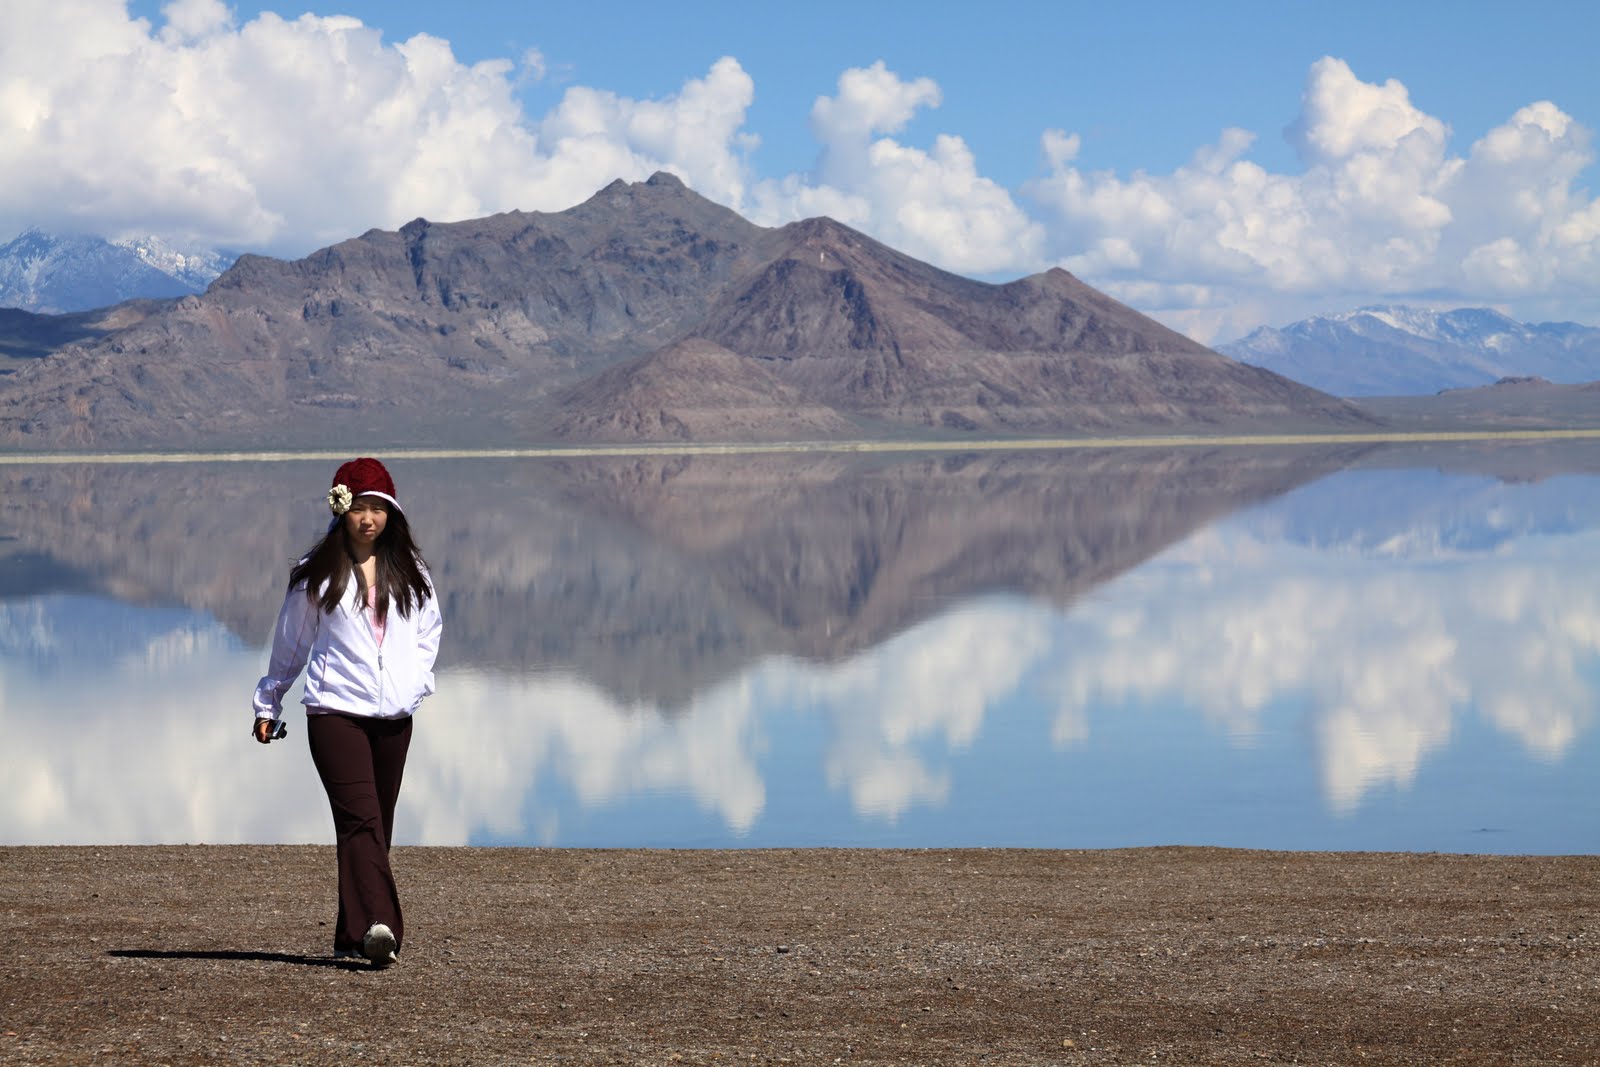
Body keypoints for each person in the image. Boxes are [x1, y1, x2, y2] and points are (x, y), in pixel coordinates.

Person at [251, 457, 442, 968]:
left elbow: (429, 634)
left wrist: (416, 684)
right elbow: (290, 647)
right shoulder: (316, 574)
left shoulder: (412, 572)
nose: (368, 519)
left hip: (394, 719)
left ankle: (347, 934)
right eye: (358, 507)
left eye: (378, 508)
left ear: (392, 513)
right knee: (360, 821)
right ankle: (382, 930)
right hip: (334, 712)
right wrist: (269, 702)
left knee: (375, 827)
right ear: (342, 511)